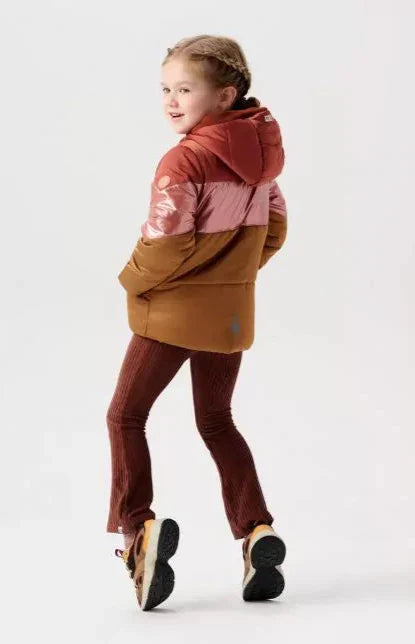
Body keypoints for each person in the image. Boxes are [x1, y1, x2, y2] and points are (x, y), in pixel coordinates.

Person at [106, 34, 288, 611]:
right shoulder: (260, 159)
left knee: (125, 415)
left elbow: (166, 242)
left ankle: (139, 530)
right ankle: (257, 530)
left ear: (225, 94)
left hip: (172, 313)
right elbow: (275, 229)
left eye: (185, 89)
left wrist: (132, 280)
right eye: (166, 88)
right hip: (229, 317)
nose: (171, 101)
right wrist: (230, 278)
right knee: (216, 420)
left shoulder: (183, 159)